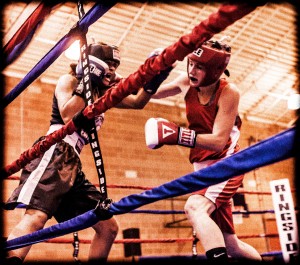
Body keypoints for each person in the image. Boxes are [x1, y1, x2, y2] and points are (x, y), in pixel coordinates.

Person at [4, 42, 170, 264]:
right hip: (55, 151)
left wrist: (157, 74)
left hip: (72, 163)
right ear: (91, 63)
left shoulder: (105, 93)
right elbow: (67, 116)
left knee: (108, 228)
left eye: (115, 65)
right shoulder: (69, 80)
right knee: (36, 217)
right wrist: (88, 81)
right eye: (108, 64)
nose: (111, 69)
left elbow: (138, 102)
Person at [145, 38, 262, 262]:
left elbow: (219, 141)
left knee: (195, 207)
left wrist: (178, 135)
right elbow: (153, 92)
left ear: (216, 70)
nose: (192, 70)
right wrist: (143, 76)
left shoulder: (229, 92)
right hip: (203, 170)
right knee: (232, 245)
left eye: (200, 66)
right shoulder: (186, 82)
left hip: (226, 164)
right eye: (191, 63)